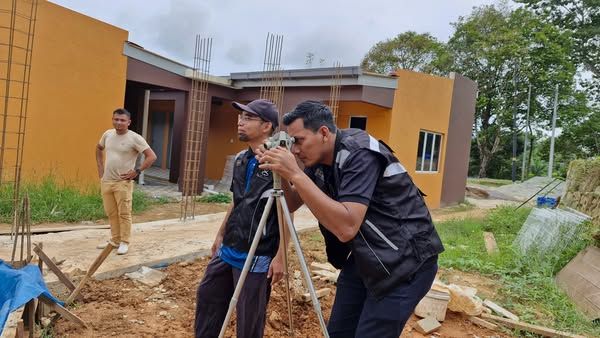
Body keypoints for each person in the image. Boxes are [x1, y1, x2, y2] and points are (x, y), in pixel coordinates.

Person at [258, 100, 444, 338]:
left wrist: (294, 172)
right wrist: (281, 172)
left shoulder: (359, 153)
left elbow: (346, 227)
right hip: (364, 259)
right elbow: (293, 202)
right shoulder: (317, 162)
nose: (295, 150)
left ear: (324, 133)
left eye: (300, 140)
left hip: (406, 263)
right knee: (338, 332)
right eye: (292, 142)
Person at [195, 99, 287, 338]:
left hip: (257, 253)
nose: (240, 122)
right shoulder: (240, 160)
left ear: (267, 126)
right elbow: (236, 201)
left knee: (249, 319)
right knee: (208, 297)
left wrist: (281, 256)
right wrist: (220, 234)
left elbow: (286, 210)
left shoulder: (278, 162)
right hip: (229, 248)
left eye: (248, 118)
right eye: (240, 117)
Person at [95, 108, 156, 255]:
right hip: (107, 181)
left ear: (129, 122)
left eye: (122, 120)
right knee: (111, 213)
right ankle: (115, 240)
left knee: (124, 213)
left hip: (123, 183)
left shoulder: (135, 138)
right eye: (116, 119)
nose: (118, 122)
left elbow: (151, 156)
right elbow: (98, 148)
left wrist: (137, 171)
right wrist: (100, 169)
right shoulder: (107, 134)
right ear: (112, 119)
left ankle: (125, 242)